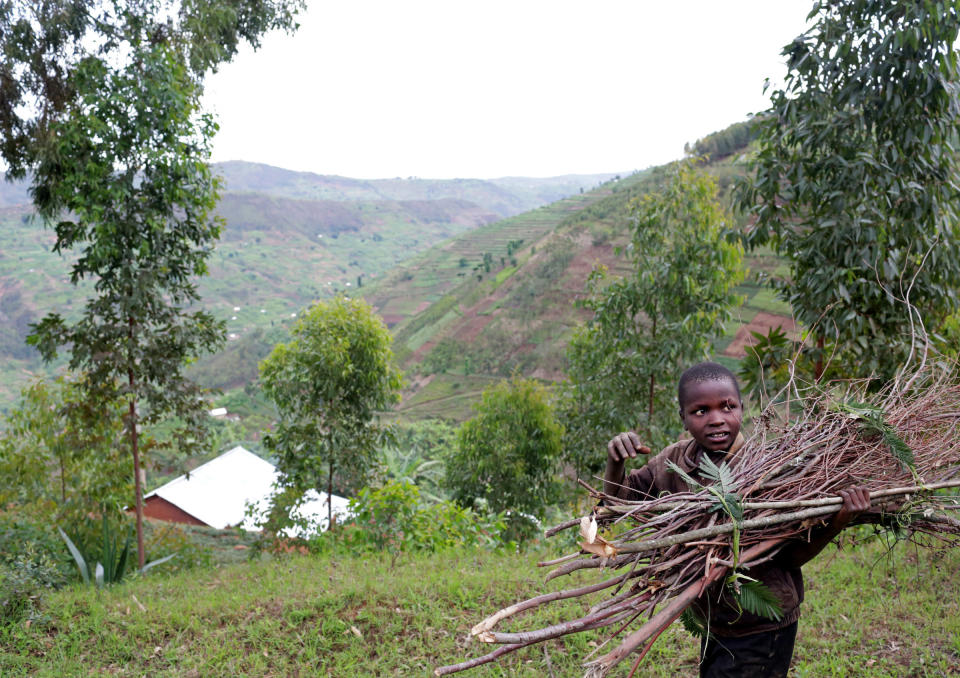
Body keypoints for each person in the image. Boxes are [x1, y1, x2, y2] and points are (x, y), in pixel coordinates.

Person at [603, 361, 869, 678]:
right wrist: (615, 462)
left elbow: (792, 555)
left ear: (742, 409)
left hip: (761, 622)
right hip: (715, 619)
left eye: (728, 407)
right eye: (700, 411)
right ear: (683, 418)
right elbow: (620, 501)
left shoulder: (768, 470)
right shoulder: (676, 460)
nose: (717, 419)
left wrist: (839, 520)